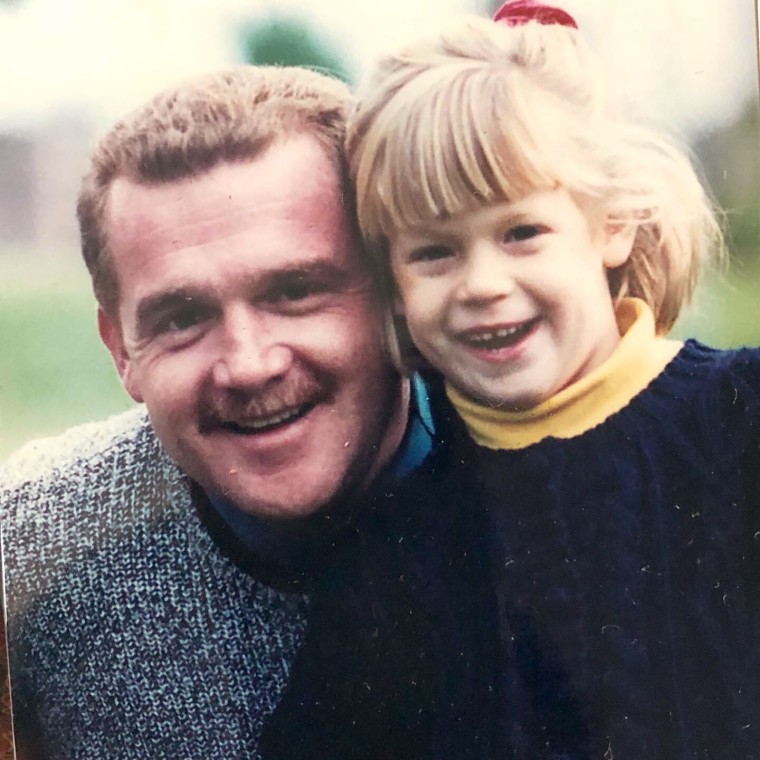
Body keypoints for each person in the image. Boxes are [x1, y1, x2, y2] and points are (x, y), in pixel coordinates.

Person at [262, 2, 760, 758]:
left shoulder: (738, 421)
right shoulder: (398, 553)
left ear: (611, 224)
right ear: (391, 281)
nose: (482, 284)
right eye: (434, 252)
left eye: (522, 233)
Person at [0, 66, 435, 759]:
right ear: (121, 350)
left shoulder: (567, 493)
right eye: (183, 317)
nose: (249, 362)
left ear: (397, 289)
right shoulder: (32, 544)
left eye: (295, 290)